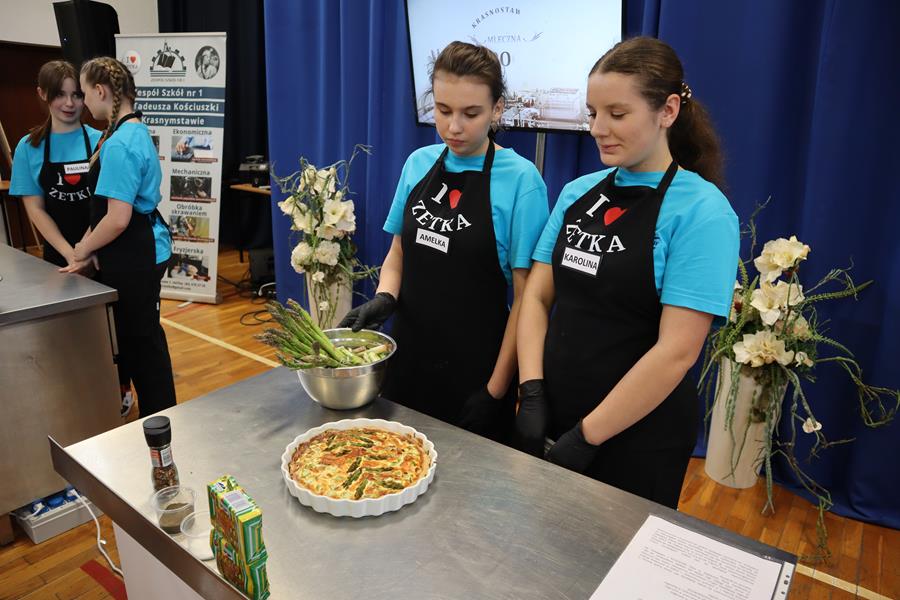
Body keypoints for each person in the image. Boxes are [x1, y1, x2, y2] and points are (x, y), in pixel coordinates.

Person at [515, 37, 740, 509]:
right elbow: (536, 296)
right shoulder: (578, 192)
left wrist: (587, 436)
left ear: (668, 110)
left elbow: (677, 352)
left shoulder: (703, 211)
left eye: (617, 114)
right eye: (593, 113)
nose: (598, 129)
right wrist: (531, 389)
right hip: (556, 410)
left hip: (637, 435)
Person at [340, 41, 549, 440]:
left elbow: (527, 299)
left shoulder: (522, 182)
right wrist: (385, 297)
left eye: (471, 113)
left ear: (497, 109)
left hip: (477, 372)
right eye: (443, 110)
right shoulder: (418, 164)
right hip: (409, 360)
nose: (454, 127)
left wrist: (496, 390)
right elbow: (398, 252)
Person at [71, 56, 176, 417]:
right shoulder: (130, 132)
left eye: (84, 93)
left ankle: (161, 419)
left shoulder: (120, 143)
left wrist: (83, 248)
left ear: (100, 91)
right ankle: (159, 416)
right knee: (141, 338)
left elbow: (116, 219)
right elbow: (107, 209)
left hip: (136, 253)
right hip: (135, 249)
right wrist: (88, 246)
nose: (83, 101)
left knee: (142, 343)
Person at [9, 60, 103, 270]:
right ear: (42, 93)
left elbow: (109, 206)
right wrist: (71, 255)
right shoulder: (28, 147)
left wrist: (87, 248)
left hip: (101, 251)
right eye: (60, 94)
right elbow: (36, 209)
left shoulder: (102, 142)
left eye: (76, 95)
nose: (69, 103)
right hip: (59, 257)